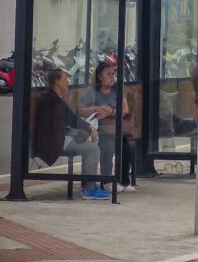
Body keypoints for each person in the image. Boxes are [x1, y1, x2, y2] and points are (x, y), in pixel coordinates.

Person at [34, 69, 108, 200]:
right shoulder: (51, 100)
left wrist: (88, 129)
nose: (67, 82)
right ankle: (89, 189)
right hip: (54, 141)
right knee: (93, 149)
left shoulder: (55, 98)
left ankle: (88, 185)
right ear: (56, 82)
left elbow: (69, 119)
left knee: (89, 145)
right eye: (64, 79)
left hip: (60, 137)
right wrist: (87, 130)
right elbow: (66, 121)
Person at [78, 62, 135, 193]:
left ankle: (124, 180)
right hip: (99, 131)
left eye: (113, 74)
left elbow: (125, 110)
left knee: (127, 147)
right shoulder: (91, 92)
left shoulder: (117, 90)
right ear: (99, 76)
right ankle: (107, 180)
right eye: (108, 74)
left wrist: (111, 112)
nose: (112, 77)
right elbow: (80, 110)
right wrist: (97, 109)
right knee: (107, 146)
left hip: (116, 129)